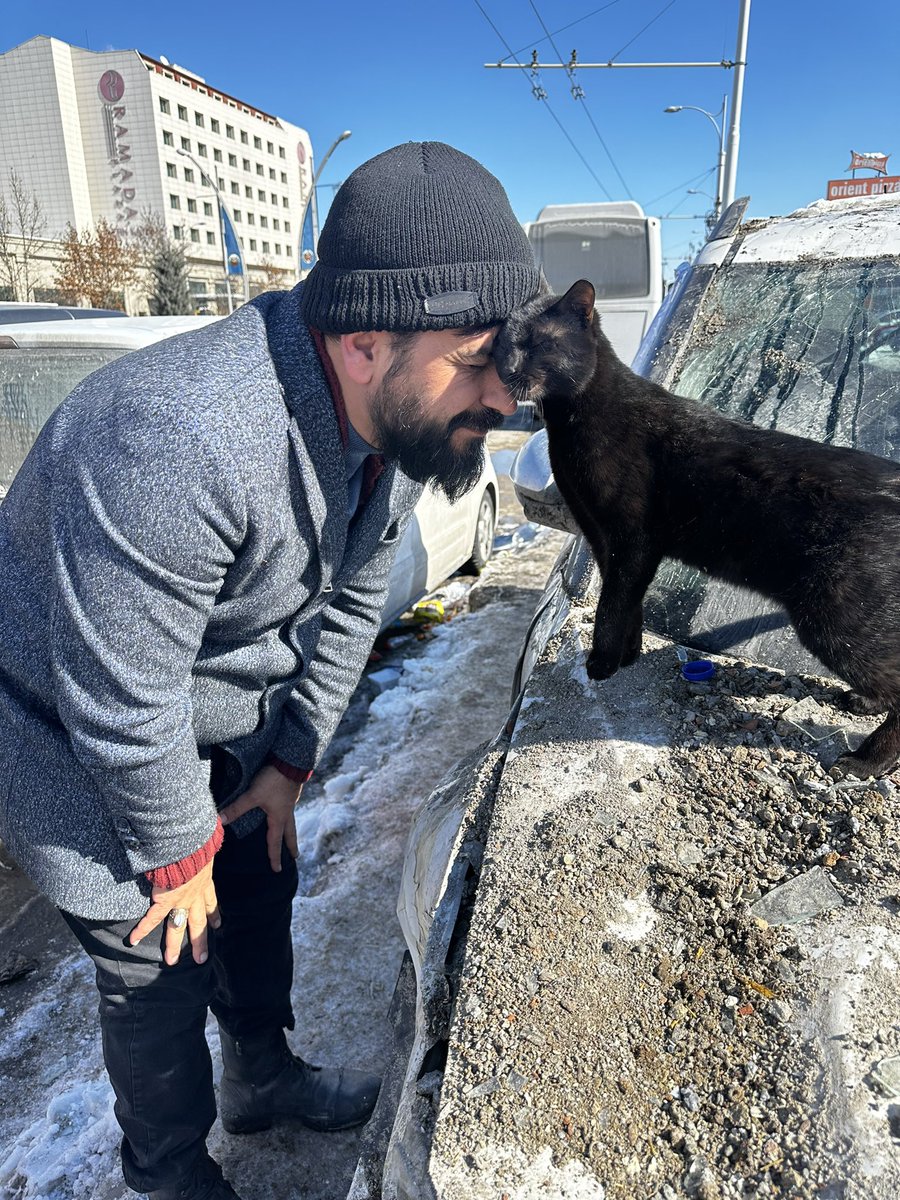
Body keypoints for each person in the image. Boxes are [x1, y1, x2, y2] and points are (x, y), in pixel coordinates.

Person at [0, 141, 540, 1199]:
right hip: (72, 729)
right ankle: (168, 1176)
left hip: (213, 712)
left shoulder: (381, 429)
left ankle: (263, 1078)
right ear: (362, 343)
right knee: (161, 959)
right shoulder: (178, 438)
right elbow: (122, 693)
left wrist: (287, 764)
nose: (503, 399)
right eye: (477, 362)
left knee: (259, 873)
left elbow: (344, 606)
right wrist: (170, 853)